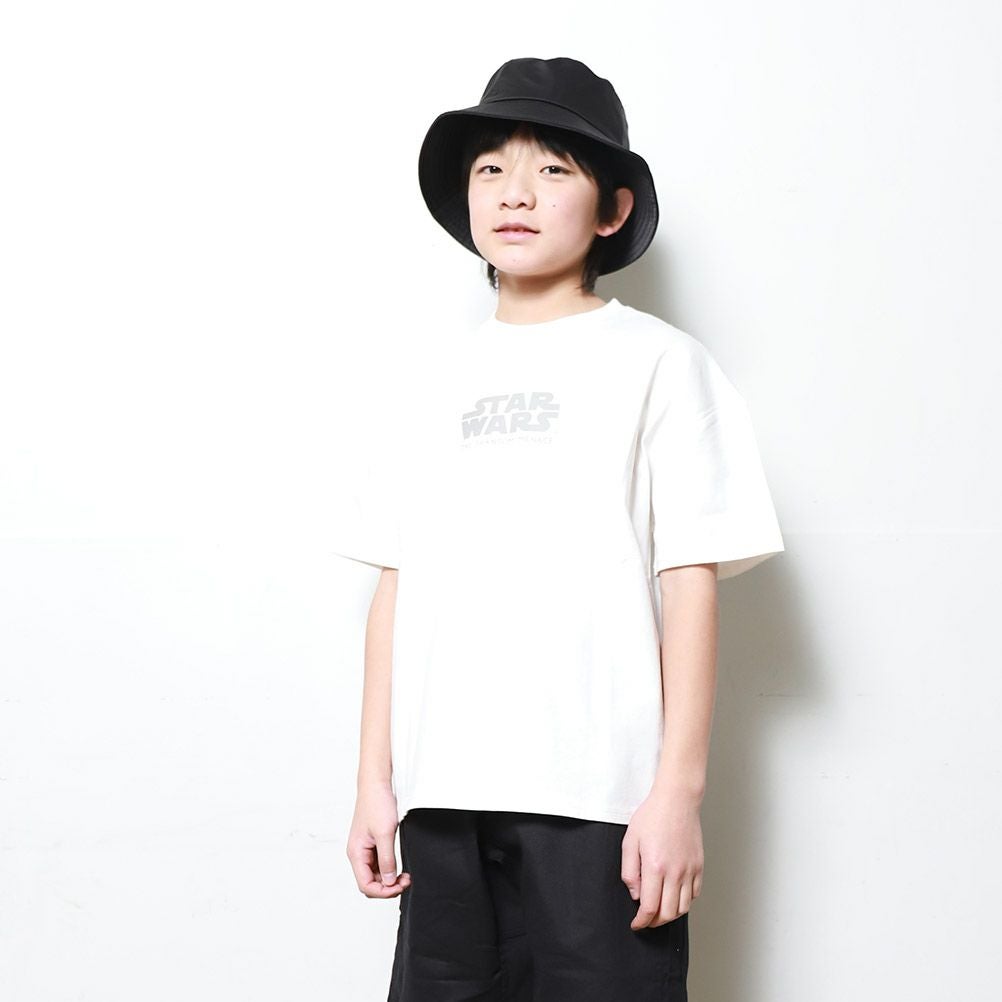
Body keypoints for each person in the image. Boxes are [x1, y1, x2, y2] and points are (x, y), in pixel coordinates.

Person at [336, 56, 786, 1002]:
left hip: (601, 805)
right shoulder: (428, 381)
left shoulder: (661, 364)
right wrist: (376, 783)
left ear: (612, 210)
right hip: (442, 799)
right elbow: (395, 585)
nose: (516, 192)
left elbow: (688, 582)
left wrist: (677, 795)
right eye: (490, 169)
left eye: (552, 169)